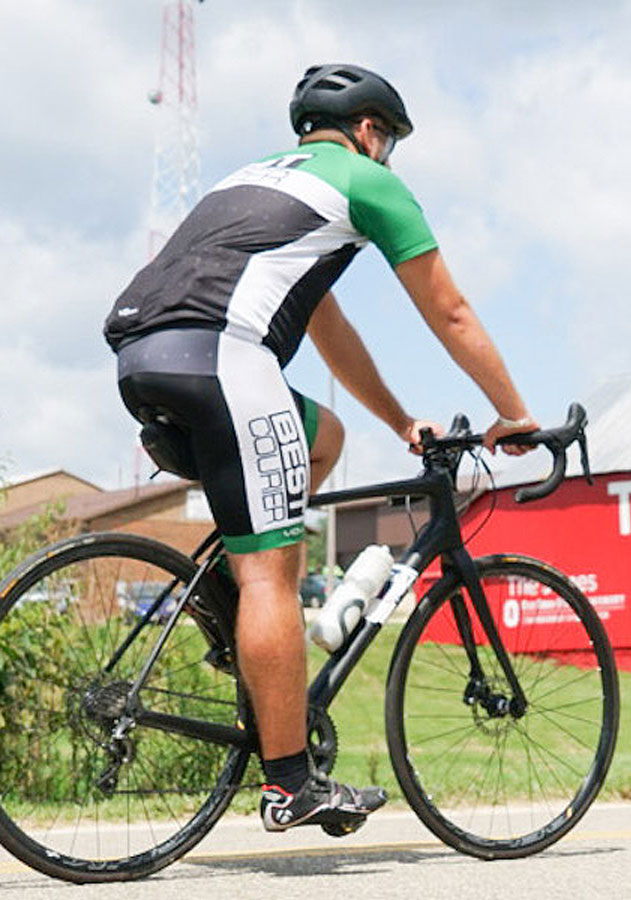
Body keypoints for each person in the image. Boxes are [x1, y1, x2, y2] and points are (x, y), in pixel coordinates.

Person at [103, 63, 538, 833]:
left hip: (142, 358)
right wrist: (515, 415)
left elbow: (329, 333)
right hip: (224, 359)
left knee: (323, 438)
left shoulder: (255, 183)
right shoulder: (367, 181)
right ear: (370, 130)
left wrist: (400, 422)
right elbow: (452, 311)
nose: (388, 154)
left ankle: (228, 605)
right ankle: (290, 784)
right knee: (272, 571)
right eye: (389, 140)